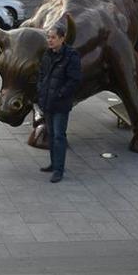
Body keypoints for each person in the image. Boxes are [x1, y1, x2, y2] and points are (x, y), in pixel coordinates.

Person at [37, 25, 81, 183]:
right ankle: (53, 163)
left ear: (62, 39)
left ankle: (58, 170)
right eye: (48, 37)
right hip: (47, 102)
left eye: (53, 37)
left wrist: (60, 94)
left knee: (59, 136)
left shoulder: (71, 55)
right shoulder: (47, 54)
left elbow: (74, 80)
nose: (50, 40)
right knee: (51, 134)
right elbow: (42, 74)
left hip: (61, 104)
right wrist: (41, 90)